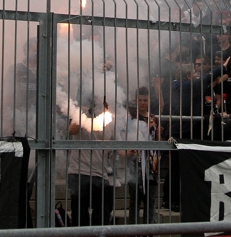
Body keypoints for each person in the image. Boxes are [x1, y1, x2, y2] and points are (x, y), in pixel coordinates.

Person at [67, 105, 116, 226]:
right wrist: (87, 114)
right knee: (80, 217)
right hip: (79, 172)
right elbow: (72, 130)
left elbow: (116, 144)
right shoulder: (80, 113)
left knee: (101, 218)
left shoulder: (109, 117)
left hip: (101, 174)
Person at [120, 87, 161, 225]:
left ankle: (149, 232)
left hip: (152, 167)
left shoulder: (153, 118)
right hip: (135, 166)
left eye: (145, 100)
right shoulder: (130, 117)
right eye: (140, 100)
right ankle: (133, 231)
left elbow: (157, 142)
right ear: (136, 101)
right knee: (135, 203)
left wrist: (157, 132)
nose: (143, 103)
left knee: (150, 204)